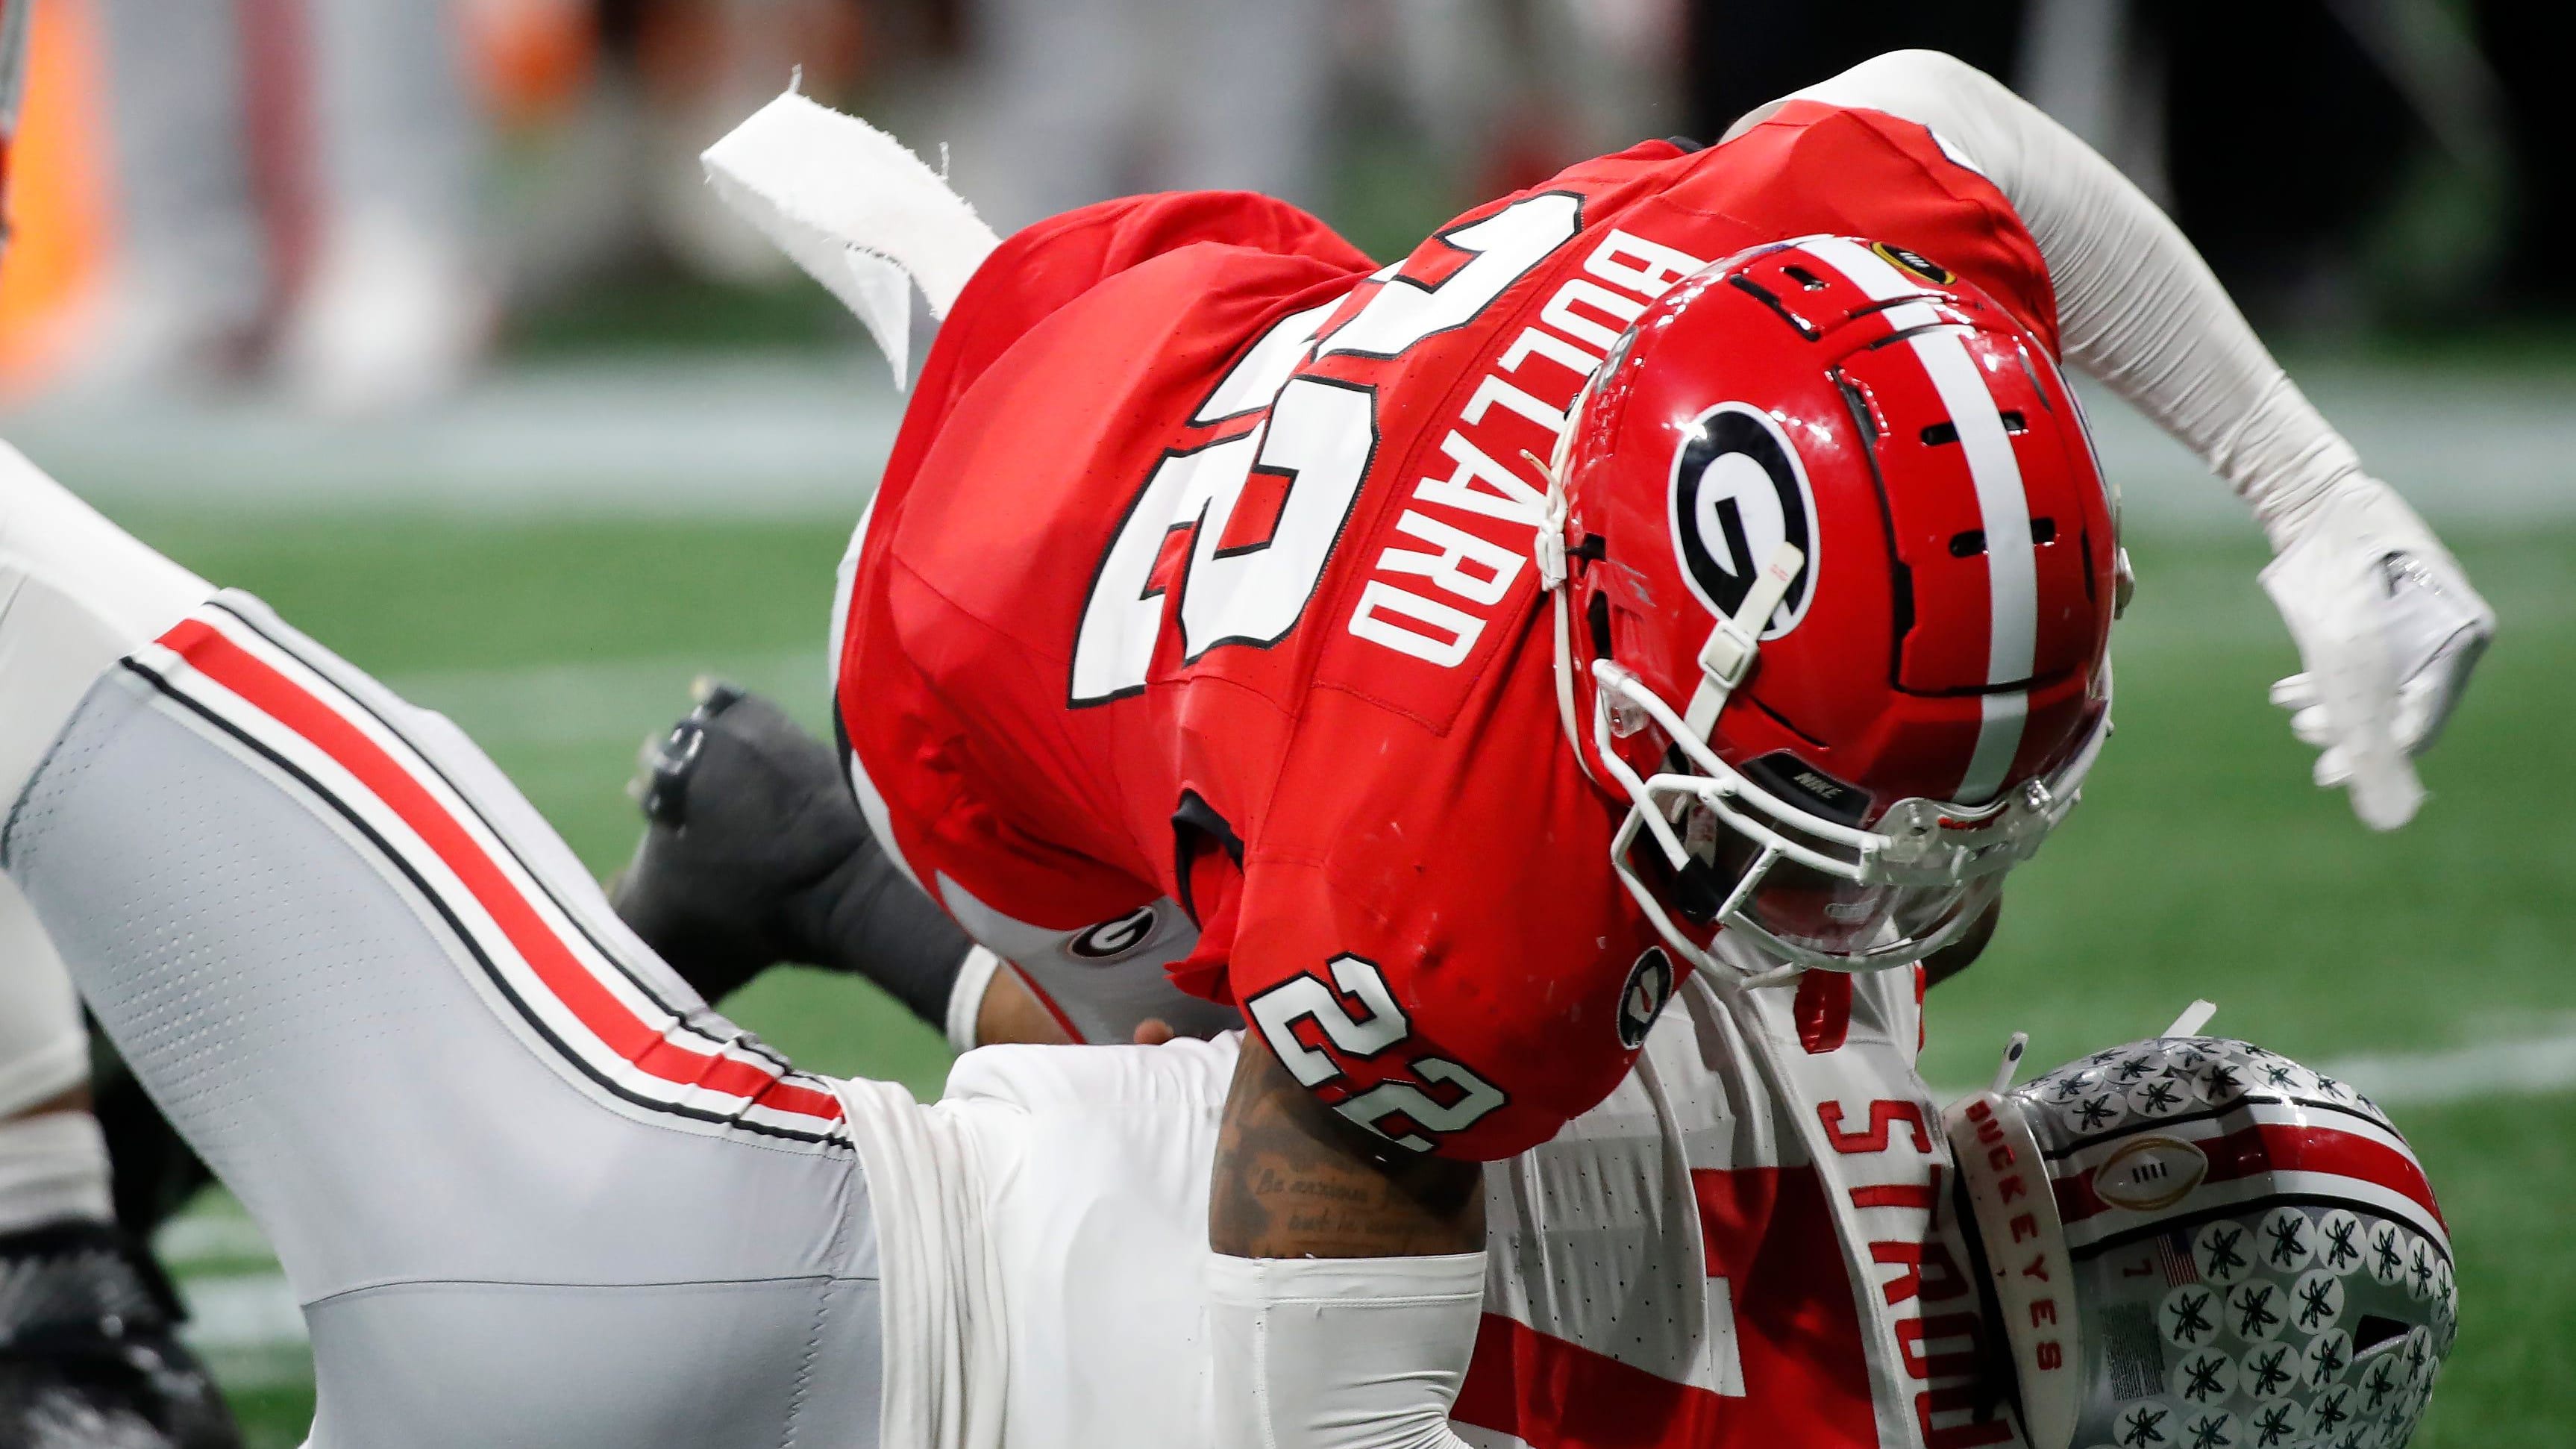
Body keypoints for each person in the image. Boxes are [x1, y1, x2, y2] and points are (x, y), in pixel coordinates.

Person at [0, 46, 2487, 1448]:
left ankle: (58, 1260)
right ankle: (64, 1294)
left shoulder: (1629, 904)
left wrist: (2310, 490)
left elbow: (1962, 118)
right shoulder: (1510, 927)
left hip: (746, 1167)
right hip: (835, 1144)